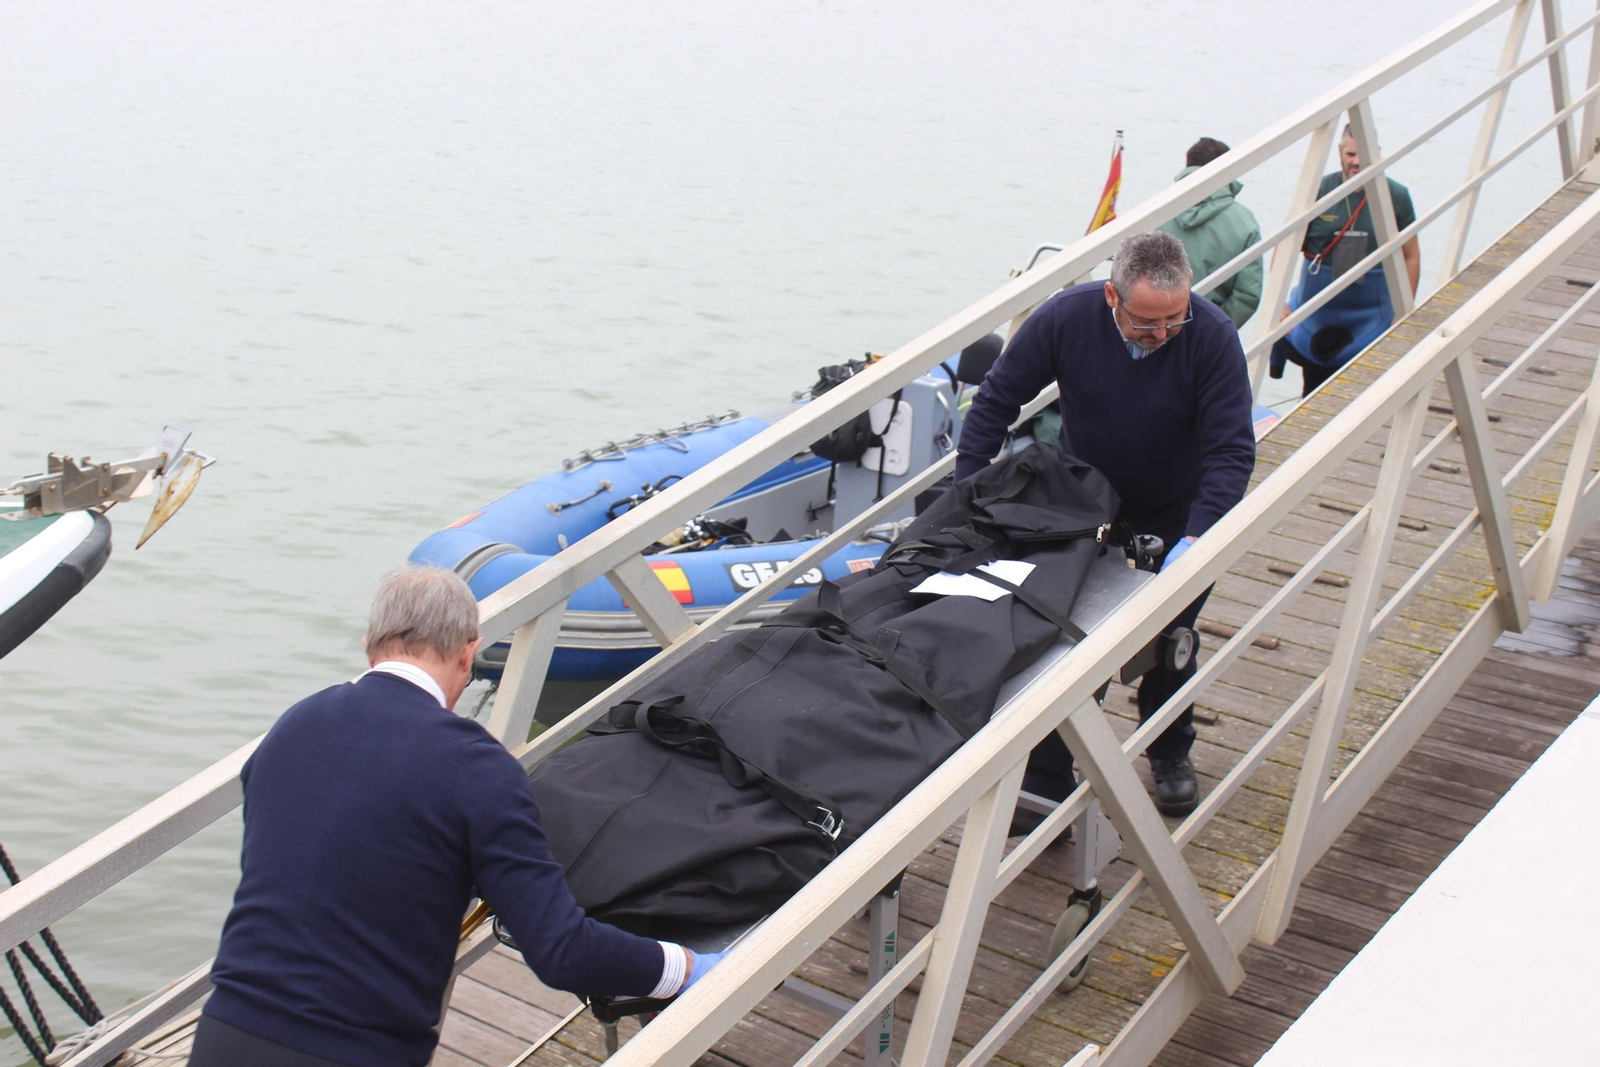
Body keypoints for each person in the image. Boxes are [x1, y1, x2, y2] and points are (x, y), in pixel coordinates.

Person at [192, 567, 722, 1067]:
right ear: (468, 655)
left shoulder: (295, 723)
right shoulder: (474, 765)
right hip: (354, 1049)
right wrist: (691, 968)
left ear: (370, 649)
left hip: (226, 1028)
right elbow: (561, 951)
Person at [955, 231, 1255, 816]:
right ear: (1112, 300)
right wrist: (966, 486)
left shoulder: (1212, 337)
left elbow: (1232, 450)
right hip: (1086, 503)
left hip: (1179, 507)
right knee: (1064, 639)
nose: (1163, 334)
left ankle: (1170, 749)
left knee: (1171, 642)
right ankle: (1047, 780)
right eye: (1147, 322)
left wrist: (1198, 535)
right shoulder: (1065, 319)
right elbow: (996, 401)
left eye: (1175, 318)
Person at [1271, 124, 1421, 396]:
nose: (1357, 162)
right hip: (1317, 311)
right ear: (1340, 151)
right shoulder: (1316, 191)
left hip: (1370, 312)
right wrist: (1278, 304)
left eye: (1363, 154)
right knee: (1314, 387)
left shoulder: (1396, 196)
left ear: (1376, 152)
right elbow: (1284, 249)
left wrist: (1404, 311)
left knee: (1366, 393)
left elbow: (1410, 255)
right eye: (1351, 154)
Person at [1158, 137, 1263, 329]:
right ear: (1229, 170)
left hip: (1152, 325)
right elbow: (1248, 294)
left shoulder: (1155, 212)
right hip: (1207, 327)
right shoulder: (1245, 222)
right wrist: (1215, 331)